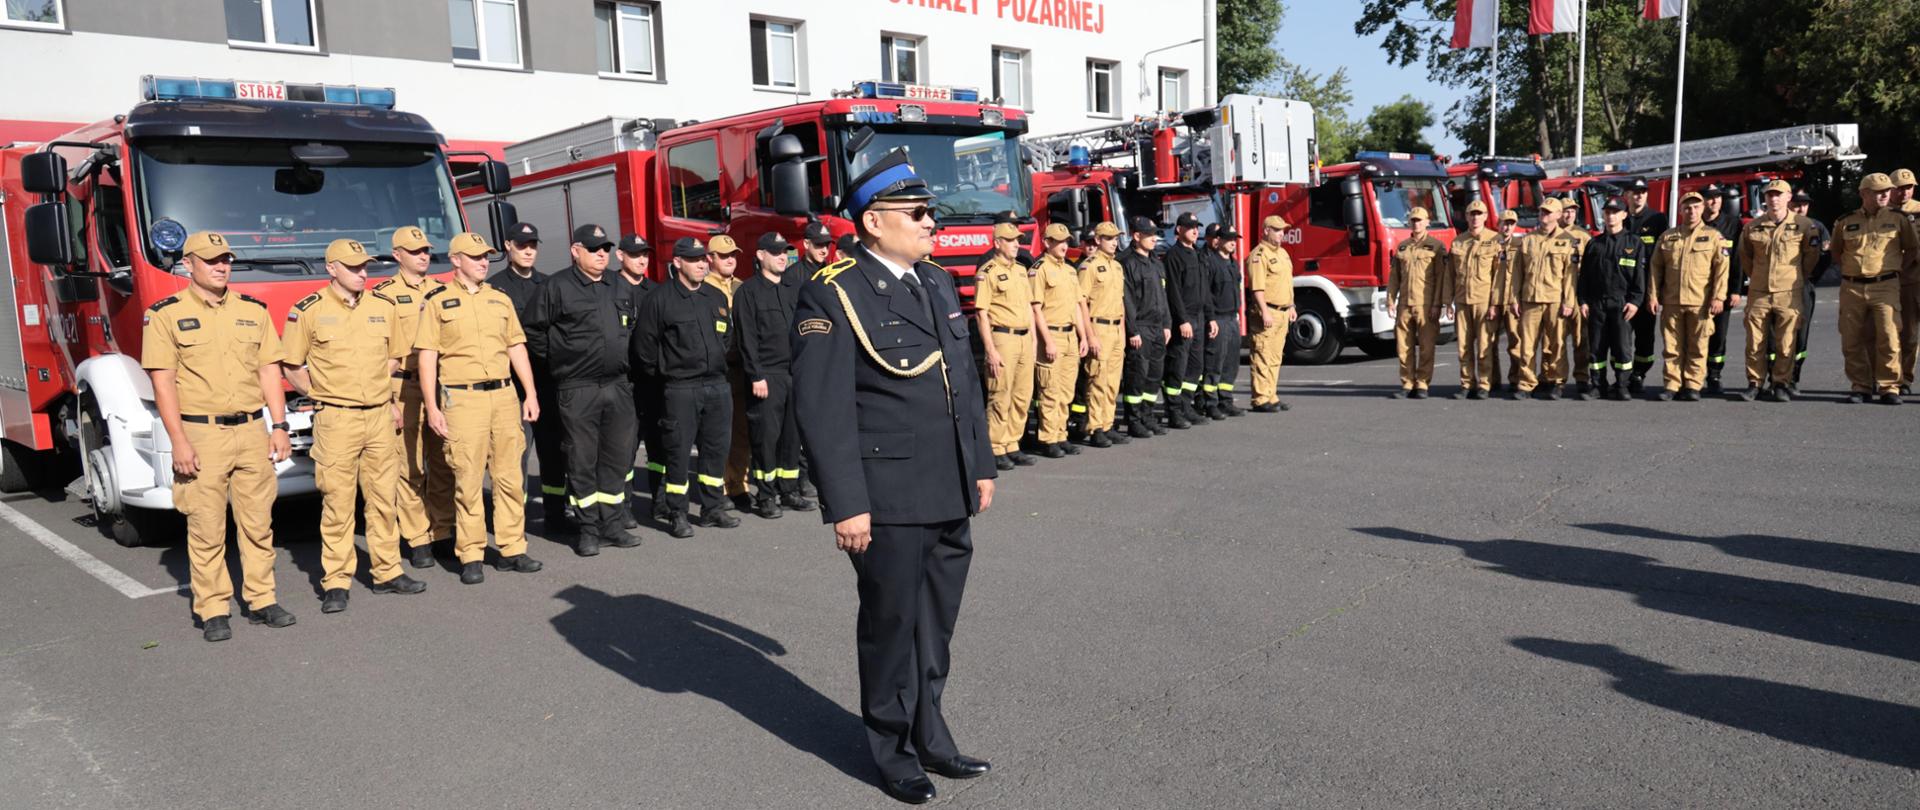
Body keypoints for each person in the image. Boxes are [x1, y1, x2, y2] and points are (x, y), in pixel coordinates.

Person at [789, 150, 997, 805]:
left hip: (948, 486)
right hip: (888, 496)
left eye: (930, 212)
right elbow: (822, 408)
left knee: (936, 624)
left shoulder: (934, 280)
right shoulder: (834, 288)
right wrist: (846, 503)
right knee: (892, 623)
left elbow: (961, 381)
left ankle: (931, 734)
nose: (932, 223)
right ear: (874, 222)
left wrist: (982, 466)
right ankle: (891, 749)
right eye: (919, 213)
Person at [143, 231, 294, 642]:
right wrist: (179, 441)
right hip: (201, 433)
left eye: (225, 259)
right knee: (206, 527)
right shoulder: (165, 315)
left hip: (251, 430)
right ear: (188, 264)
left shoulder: (253, 311)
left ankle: (263, 600)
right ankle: (213, 609)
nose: (221, 266)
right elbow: (164, 383)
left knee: (258, 524)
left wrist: (279, 426)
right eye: (211, 260)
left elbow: (269, 372)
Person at [283, 238, 425, 615]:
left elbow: (395, 355)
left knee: (384, 500)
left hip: (379, 415)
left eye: (365, 266)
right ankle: (336, 581)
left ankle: (387, 572)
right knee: (338, 503)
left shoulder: (383, 306)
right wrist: (321, 393)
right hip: (337, 419)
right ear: (332, 269)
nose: (363, 273)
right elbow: (291, 365)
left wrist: (378, 384)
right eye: (354, 267)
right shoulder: (308, 311)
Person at [416, 233, 545, 584]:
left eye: (486, 256)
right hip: (463, 400)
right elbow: (428, 357)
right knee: (468, 480)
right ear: (456, 260)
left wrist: (530, 393)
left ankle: (512, 548)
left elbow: (517, 347)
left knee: (509, 478)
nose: (483, 262)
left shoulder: (499, 299)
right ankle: (471, 553)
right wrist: (432, 405)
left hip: (504, 397)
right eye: (475, 257)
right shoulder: (438, 301)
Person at [524, 224, 639, 557]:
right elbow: (533, 331)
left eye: (605, 248)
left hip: (617, 386)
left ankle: (613, 525)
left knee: (616, 459)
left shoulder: (618, 285)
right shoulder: (556, 287)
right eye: (593, 248)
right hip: (578, 387)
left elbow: (629, 328)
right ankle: (588, 529)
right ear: (576, 251)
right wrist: (561, 359)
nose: (601, 253)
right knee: (582, 459)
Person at [633, 238, 738, 537]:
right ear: (677, 263)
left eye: (703, 259)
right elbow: (644, 349)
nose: (702, 264)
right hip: (680, 387)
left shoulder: (715, 297)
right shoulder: (659, 299)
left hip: (717, 385)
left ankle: (712, 508)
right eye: (694, 260)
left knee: (716, 450)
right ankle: (677, 512)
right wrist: (668, 374)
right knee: (678, 452)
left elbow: (726, 337)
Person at [373, 226, 454, 569]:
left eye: (426, 250)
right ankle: (418, 537)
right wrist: (387, 399)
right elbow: (378, 349)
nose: (424, 255)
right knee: (409, 465)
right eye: (415, 250)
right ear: (397, 255)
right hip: (403, 387)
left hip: (438, 386)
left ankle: (444, 531)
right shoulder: (382, 295)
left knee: (443, 462)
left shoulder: (442, 290)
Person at [486, 221, 569, 532]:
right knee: (514, 458)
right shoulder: (494, 288)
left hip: (548, 383)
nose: (529, 250)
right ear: (508, 246)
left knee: (554, 454)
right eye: (522, 245)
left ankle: (556, 516)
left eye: (533, 245)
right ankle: (512, 523)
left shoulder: (550, 285)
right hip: (513, 389)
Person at [734, 231, 817, 518]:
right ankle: (767, 495)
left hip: (792, 373)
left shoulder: (791, 289)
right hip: (766, 376)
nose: (783, 257)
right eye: (776, 252)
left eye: (785, 252)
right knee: (766, 438)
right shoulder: (748, 292)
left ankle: (789, 489)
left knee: (792, 437)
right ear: (760, 255)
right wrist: (755, 375)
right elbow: (746, 338)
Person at [1831, 172, 1920, 404]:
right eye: (1879, 191)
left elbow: (1912, 249)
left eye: (1887, 191)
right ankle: (1860, 386)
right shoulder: (1845, 221)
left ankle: (1889, 386)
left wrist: (1897, 269)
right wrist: (1854, 271)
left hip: (1886, 285)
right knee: (1852, 339)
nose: (1885, 195)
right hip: (1852, 287)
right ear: (1864, 194)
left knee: (1889, 337)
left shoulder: (1900, 218)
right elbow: (1837, 252)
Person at [1736, 180, 1821, 402]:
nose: (1773, 199)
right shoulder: (1752, 226)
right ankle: (1755, 383)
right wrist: (1757, 276)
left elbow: (1810, 257)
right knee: (1755, 341)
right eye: (1769, 195)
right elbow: (1745, 257)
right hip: (1759, 291)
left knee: (1786, 341)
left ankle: (1781, 383)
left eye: (1778, 194)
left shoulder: (1804, 225)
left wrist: (1796, 276)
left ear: (1788, 197)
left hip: (1789, 291)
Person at [1648, 192, 1730, 402]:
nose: (1691, 211)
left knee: (1698, 346)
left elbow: (1721, 269)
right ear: (1681, 210)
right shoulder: (1668, 236)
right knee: (1672, 346)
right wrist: (1653, 296)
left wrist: (1719, 297)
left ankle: (1693, 385)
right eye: (1687, 207)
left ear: (1702, 209)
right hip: (1672, 301)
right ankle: (1672, 384)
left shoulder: (1713, 236)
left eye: (1695, 207)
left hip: (1700, 302)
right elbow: (1655, 268)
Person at [973, 222, 1041, 469]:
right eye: (1011, 240)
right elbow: (982, 314)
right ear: (997, 243)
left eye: (1018, 240)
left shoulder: (1022, 271)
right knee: (1000, 394)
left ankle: (1012, 444)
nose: (1017, 245)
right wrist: (990, 350)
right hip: (1002, 338)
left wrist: (1033, 341)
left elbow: (1028, 308)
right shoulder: (987, 272)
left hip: (1024, 338)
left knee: (1022, 395)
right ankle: (995, 447)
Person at [1576, 198, 1646, 401]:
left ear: (1624, 215)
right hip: (1597, 304)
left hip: (1622, 303)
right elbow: (1584, 277)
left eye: (1615, 212)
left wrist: (1635, 301)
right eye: (1607, 212)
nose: (1610, 216)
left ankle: (1622, 385)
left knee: (1622, 347)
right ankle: (1598, 385)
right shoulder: (1594, 243)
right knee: (1596, 347)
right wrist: (1583, 301)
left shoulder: (1634, 243)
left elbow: (1640, 278)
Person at [1507, 198, 1577, 400]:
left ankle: (1557, 381)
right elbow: (1517, 273)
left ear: (1558, 215)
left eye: (1548, 212)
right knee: (1527, 345)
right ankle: (1527, 383)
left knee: (1556, 344)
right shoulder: (1527, 240)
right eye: (1542, 211)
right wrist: (1514, 299)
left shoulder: (1567, 241)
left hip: (1555, 300)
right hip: (1530, 300)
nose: (1543, 215)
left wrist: (1569, 302)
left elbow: (1570, 276)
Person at [1032, 224, 1091, 459]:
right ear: (1047, 243)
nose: (1064, 245)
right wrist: (1047, 341)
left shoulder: (1069, 271)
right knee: (1050, 390)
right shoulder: (1039, 270)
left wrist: (1083, 336)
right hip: (1052, 335)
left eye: (1066, 241)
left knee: (1066, 391)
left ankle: (1061, 434)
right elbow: (1035, 309)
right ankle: (1048, 438)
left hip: (1069, 336)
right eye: (1058, 241)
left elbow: (1077, 307)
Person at [705, 234, 754, 503]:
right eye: (723, 256)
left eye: (733, 255)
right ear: (710, 259)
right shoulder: (702, 288)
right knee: (717, 432)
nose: (730, 260)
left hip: (741, 368)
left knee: (741, 430)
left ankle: (738, 484)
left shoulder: (742, 287)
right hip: (717, 370)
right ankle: (719, 486)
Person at [1075, 221, 1130, 446]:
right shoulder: (1088, 267)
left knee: (1112, 382)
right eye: (1109, 238)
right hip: (1098, 327)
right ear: (1098, 240)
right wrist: (1090, 336)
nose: (1114, 243)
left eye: (1116, 238)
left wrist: (1123, 332)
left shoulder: (1116, 266)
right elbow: (1081, 304)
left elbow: (1121, 302)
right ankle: (1096, 426)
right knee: (1097, 379)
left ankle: (1108, 424)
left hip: (1116, 328)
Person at [1387, 206, 1448, 398]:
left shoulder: (1436, 247)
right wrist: (1390, 300)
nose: (1416, 223)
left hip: (1426, 305)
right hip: (1405, 304)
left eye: (1420, 220)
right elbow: (1394, 277)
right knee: (1403, 347)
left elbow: (1441, 278)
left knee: (1427, 346)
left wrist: (1438, 304)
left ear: (1427, 222)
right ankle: (1407, 384)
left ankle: (1422, 384)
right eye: (1413, 220)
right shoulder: (1402, 247)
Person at [1120, 216, 1174, 437]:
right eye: (1149, 235)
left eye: (1155, 234)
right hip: (1140, 327)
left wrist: (1167, 324)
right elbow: (1127, 301)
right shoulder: (1127, 263)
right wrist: (1132, 330)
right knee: (1137, 376)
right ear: (1136, 236)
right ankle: (1133, 420)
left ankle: (1147, 415)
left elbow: (1163, 296)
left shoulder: (1156, 262)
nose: (1154, 239)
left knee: (1154, 375)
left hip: (1157, 327)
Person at [615, 234, 654, 529]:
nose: (641, 260)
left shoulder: (656, 291)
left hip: (653, 381)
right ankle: (624, 506)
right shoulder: (610, 290)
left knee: (660, 447)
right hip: (624, 382)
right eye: (635, 254)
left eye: (645, 255)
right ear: (621, 256)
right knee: (625, 449)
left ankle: (661, 501)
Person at [1449, 201, 1503, 399]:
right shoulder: (1458, 241)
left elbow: (1498, 276)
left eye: (1479, 214)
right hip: (1463, 301)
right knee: (1463, 346)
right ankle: (1466, 383)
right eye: (1472, 213)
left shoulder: (1495, 240)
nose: (1475, 217)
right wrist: (1448, 302)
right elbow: (1450, 275)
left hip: (1484, 301)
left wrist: (1494, 303)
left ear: (1486, 216)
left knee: (1484, 346)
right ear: (1466, 216)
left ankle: (1485, 383)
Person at [1622, 178, 1671, 394]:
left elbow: (1663, 259)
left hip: (1647, 288)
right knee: (1621, 337)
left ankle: (1639, 373)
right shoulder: (1620, 218)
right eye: (1635, 192)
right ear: (1627, 195)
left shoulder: (1657, 219)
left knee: (1645, 336)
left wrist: (1657, 293)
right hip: (1622, 289)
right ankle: (1622, 375)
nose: (1639, 195)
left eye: (1642, 192)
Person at [1244, 215, 1295, 412]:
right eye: (1277, 229)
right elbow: (1257, 288)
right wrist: (1264, 312)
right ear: (1266, 230)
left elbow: (1286, 283)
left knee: (1275, 357)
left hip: (1282, 312)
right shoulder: (1259, 255)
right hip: (1268, 311)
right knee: (1262, 355)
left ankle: (1271, 395)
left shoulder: (1283, 253)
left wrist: (1291, 306)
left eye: (1283, 230)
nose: (1281, 233)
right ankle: (1260, 398)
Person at [1161, 212, 1208, 425]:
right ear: (1179, 230)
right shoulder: (1174, 255)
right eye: (1190, 227)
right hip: (1185, 319)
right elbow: (1174, 292)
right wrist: (1182, 320)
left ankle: (1186, 405)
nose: (1195, 231)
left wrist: (1211, 317)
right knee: (1178, 366)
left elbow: (1203, 289)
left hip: (1199, 317)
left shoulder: (1197, 253)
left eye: (1196, 227)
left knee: (1195, 366)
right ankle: (1174, 411)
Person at [1700, 184, 1746, 395]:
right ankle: (1695, 376)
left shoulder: (1732, 224)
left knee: (1718, 336)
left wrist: (1735, 290)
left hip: (1723, 290)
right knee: (1697, 335)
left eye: (1718, 197)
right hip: (1697, 290)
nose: (1715, 201)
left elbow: (1737, 259)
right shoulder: (1694, 223)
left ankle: (1715, 375)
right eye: (1710, 197)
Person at [1785, 191, 1833, 387]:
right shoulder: (1779, 224)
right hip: (1782, 286)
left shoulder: (1817, 226)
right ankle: (1776, 376)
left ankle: (1794, 374)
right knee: (1777, 333)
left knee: (1801, 332)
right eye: (1797, 204)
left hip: (1804, 284)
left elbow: (1826, 256)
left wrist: (1811, 278)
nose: (1801, 208)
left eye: (1805, 204)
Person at [1200, 226, 1245, 418]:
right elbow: (1206, 295)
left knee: (1231, 362)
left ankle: (1226, 400)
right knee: (1214, 363)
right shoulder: (1211, 263)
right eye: (1229, 239)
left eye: (1235, 239)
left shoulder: (1233, 263)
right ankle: (1210, 403)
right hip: (1218, 317)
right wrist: (1211, 319)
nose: (1233, 242)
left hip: (1232, 317)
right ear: (1219, 240)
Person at [1557, 198, 1595, 397]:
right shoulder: (1552, 235)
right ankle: (1557, 379)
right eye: (1566, 210)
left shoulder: (1584, 236)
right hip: (1557, 294)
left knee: (1581, 340)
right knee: (1556, 340)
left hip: (1578, 292)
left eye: (1573, 211)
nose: (1569, 214)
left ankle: (1581, 378)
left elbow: (1590, 268)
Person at [1892, 168, 1920, 392]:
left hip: (1916, 278)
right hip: (1899, 281)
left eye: (1908, 187)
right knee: (1905, 334)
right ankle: (1902, 378)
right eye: (1899, 188)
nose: (1904, 192)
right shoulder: (1883, 213)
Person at [1493, 208, 1525, 392]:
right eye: (1504, 223)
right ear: (1498, 224)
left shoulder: (1521, 245)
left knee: (1516, 342)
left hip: (1513, 300)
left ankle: (1516, 379)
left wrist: (1519, 300)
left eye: (1511, 224)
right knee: (1489, 343)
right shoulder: (1490, 244)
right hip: (1493, 299)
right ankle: (1492, 379)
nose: (1507, 227)